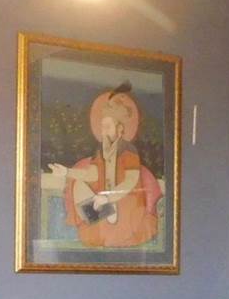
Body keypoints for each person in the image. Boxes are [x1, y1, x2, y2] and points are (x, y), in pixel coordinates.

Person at [49, 84, 162, 247]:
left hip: (126, 204)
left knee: (108, 207)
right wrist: (66, 171)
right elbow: (91, 175)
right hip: (106, 204)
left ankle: (107, 218)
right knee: (78, 184)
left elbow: (130, 182)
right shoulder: (102, 150)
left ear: (120, 129)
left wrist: (108, 196)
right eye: (102, 127)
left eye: (107, 127)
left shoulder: (128, 150)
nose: (103, 132)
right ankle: (102, 217)